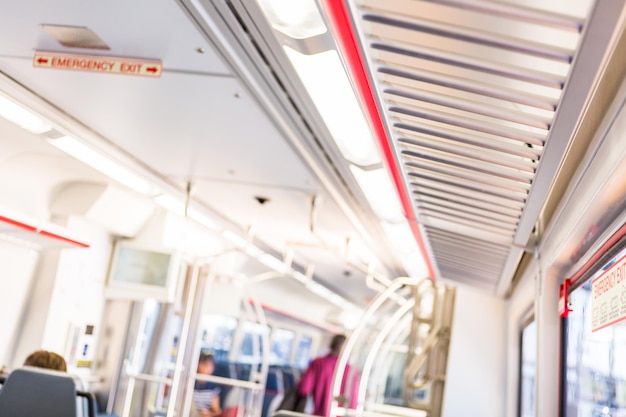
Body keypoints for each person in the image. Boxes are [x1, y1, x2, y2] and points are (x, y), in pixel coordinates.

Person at [297, 334, 353, 417]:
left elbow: (304, 389)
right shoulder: (349, 369)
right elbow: (352, 400)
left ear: (331, 345)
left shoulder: (317, 363)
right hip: (339, 414)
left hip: (318, 413)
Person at [193, 351, 222, 417]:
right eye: (205, 365)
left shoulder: (213, 387)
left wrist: (209, 413)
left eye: (211, 366)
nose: (208, 369)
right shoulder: (190, 383)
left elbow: (217, 410)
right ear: (198, 365)